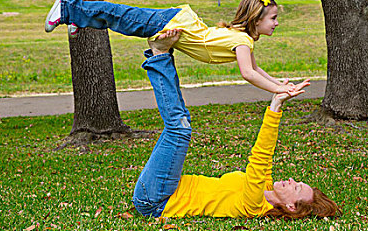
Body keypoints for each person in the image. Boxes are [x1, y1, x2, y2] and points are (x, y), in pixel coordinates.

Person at [132, 31, 340, 219]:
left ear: (290, 207)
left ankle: (160, 55)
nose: (292, 180)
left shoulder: (255, 205)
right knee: (181, 122)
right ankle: (161, 55)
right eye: (298, 183)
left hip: (157, 199)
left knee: (179, 129)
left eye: (296, 188)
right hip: (166, 188)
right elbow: (266, 158)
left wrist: (275, 105)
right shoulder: (265, 187)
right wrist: (278, 98)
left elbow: (260, 158)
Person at [44, 0, 294, 95]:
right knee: (122, 17)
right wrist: (279, 90)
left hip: (176, 22)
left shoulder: (244, 40)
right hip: (171, 23)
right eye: (273, 18)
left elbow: (257, 70)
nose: (276, 23)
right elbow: (249, 74)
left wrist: (280, 83)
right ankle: (70, 5)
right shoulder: (243, 41)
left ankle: (77, 15)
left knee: (122, 21)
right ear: (256, 18)